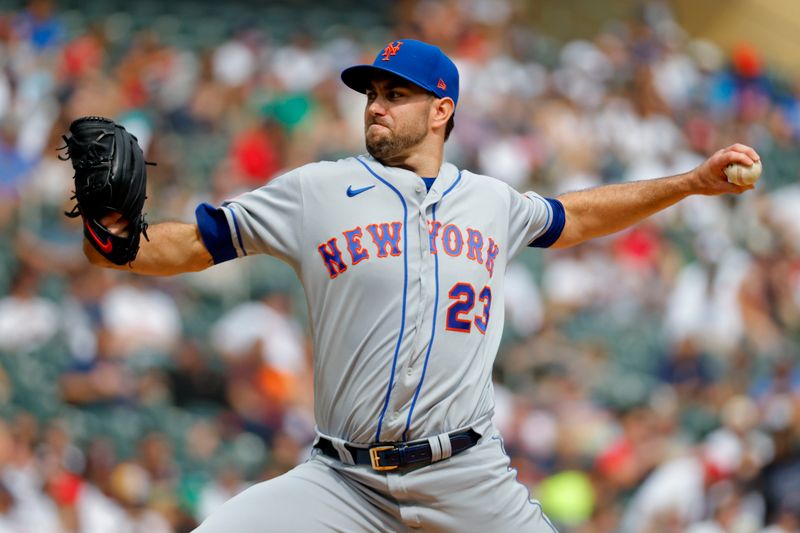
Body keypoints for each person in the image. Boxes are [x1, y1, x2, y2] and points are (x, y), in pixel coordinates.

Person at [83, 39, 760, 532]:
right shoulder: (318, 189)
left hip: (464, 474)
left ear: (441, 110)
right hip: (341, 479)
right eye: (373, 93)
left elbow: (577, 214)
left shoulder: (492, 201)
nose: (376, 105)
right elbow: (200, 241)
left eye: (395, 93)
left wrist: (691, 183)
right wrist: (121, 244)